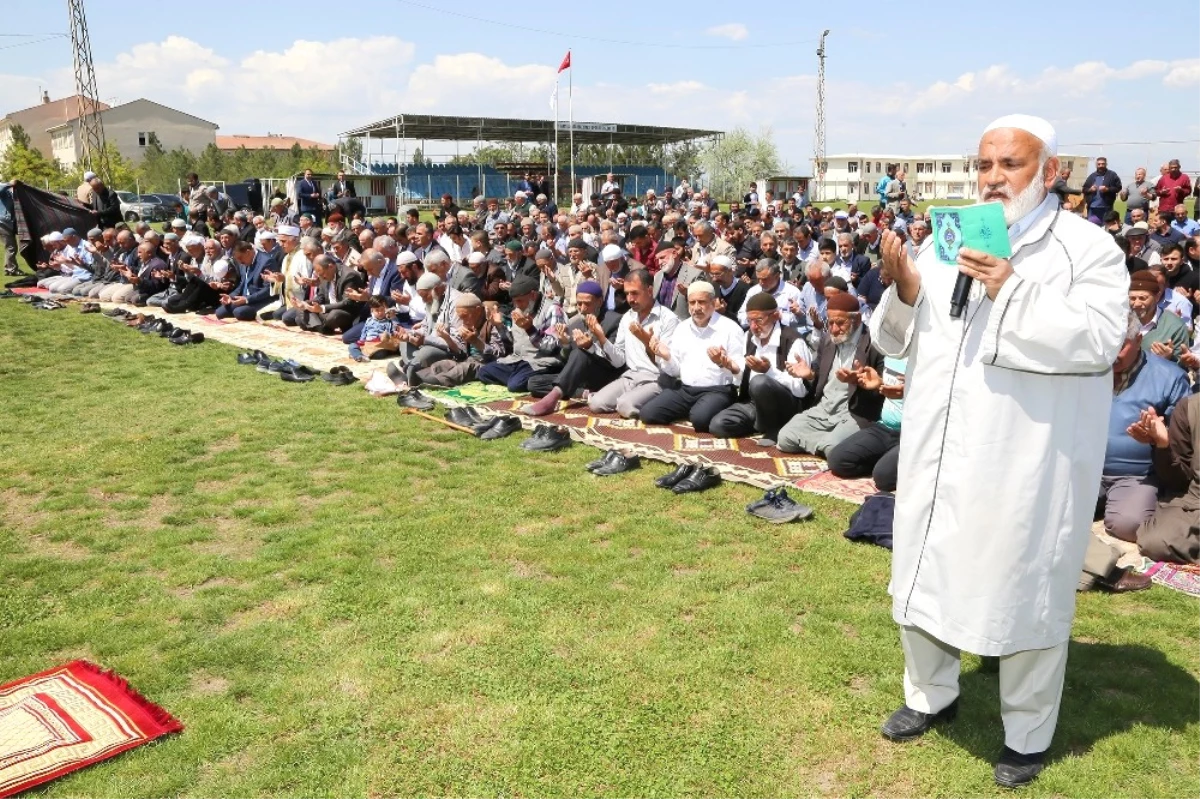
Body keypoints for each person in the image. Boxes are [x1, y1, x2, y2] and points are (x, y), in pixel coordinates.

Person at [869, 114, 1128, 788]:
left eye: (1009, 164)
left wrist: (1009, 286)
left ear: (1051, 170)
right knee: (923, 569)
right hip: (937, 444)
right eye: (984, 164)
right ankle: (931, 694)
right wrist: (903, 288)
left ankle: (1027, 732)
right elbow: (896, 340)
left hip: (1023, 458)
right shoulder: (946, 239)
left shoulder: (1086, 249)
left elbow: (1096, 342)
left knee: (1024, 588)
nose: (992, 178)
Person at [1100, 312, 1189, 542]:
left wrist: (1156, 436)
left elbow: (1183, 441)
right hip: (1083, 468)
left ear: (1139, 339)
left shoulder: (1170, 378)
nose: (1111, 353)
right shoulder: (1088, 370)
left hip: (1136, 475)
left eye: (1120, 346)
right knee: (1046, 509)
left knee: (1129, 524)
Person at [775, 292, 884, 455]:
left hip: (854, 413)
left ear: (857, 319)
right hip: (824, 410)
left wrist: (864, 383)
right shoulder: (828, 340)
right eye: (830, 322)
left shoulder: (875, 345)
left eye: (840, 323)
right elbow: (819, 378)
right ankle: (825, 443)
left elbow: (885, 388)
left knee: (832, 447)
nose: (833, 329)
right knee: (785, 438)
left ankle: (828, 444)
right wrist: (810, 375)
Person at [638, 281, 745, 432]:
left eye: (701, 302)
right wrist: (666, 356)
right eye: (692, 303)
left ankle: (702, 410)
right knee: (648, 414)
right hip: (686, 389)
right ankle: (695, 409)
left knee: (700, 420)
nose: (696, 308)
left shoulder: (730, 329)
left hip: (718, 390)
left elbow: (741, 374)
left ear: (713, 303)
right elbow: (674, 372)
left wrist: (725, 363)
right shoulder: (682, 328)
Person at [708, 292, 813, 446]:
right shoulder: (749, 337)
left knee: (760, 382)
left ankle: (776, 427)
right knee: (718, 425)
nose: (753, 326)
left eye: (759, 320)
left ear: (776, 316)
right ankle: (761, 424)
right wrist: (726, 364)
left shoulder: (793, 341)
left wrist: (769, 372)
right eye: (750, 321)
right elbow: (741, 380)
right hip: (754, 402)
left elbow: (801, 391)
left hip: (786, 406)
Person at [585, 270, 680, 418]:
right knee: (596, 403)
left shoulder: (668, 319)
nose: (630, 299)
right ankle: (633, 399)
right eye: (627, 293)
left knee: (625, 405)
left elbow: (669, 366)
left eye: (635, 293)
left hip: (657, 379)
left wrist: (646, 341)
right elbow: (619, 361)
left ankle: (657, 405)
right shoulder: (627, 318)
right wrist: (602, 337)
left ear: (649, 290)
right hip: (630, 376)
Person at [826, 356, 906, 492]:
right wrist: (879, 383)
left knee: (884, 479)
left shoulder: (929, 357)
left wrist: (912, 392)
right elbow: (890, 389)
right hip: (885, 427)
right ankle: (886, 462)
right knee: (838, 461)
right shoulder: (891, 351)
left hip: (914, 434)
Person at [1130, 269, 1188, 361]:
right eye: (1132, 298)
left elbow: (1182, 367)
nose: (1136, 303)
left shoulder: (1175, 327)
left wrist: (1168, 359)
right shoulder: (1117, 320)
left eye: (1142, 298)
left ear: (1157, 297)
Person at [1082, 156, 1121, 223]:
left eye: (1103, 164)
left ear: (1106, 164)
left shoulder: (1112, 175)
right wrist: (1090, 190)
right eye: (1099, 164)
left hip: (1106, 207)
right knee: (1091, 227)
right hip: (1093, 208)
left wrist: (1107, 189)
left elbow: (1118, 187)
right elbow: (1084, 189)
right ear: (1096, 165)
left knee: (1106, 227)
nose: (1101, 166)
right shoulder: (1092, 176)